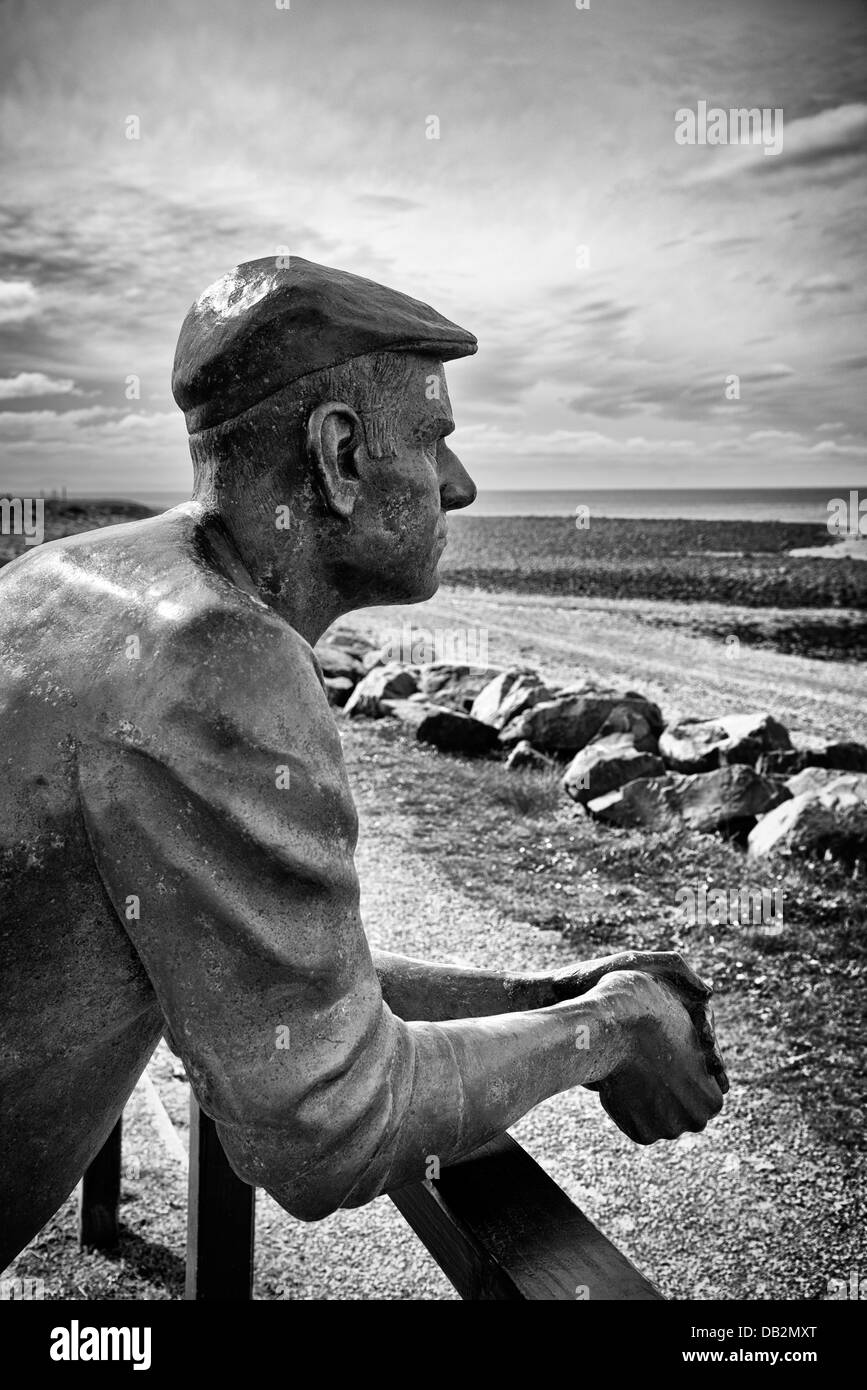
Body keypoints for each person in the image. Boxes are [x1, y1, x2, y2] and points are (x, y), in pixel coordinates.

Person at [0, 256, 726, 1269]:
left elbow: (255, 977)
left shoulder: (68, 578)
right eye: (435, 441)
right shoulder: (220, 654)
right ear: (340, 454)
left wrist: (543, 989)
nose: (461, 486)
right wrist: (609, 1030)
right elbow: (328, 1121)